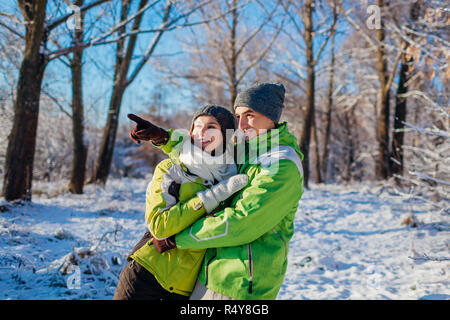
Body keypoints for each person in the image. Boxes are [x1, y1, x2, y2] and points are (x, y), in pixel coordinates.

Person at [154, 82, 304, 300]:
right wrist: (165, 139)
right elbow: (202, 153)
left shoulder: (282, 163)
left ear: (271, 116)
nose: (241, 124)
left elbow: (243, 222)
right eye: (238, 115)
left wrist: (178, 238)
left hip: (241, 281)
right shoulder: (247, 151)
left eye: (249, 115)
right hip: (212, 271)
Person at [113, 105, 248, 300]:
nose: (202, 132)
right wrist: (214, 196)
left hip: (187, 288)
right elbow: (159, 226)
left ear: (226, 136)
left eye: (211, 127)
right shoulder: (172, 169)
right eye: (197, 126)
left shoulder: (232, 173)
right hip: (146, 275)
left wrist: (163, 136)